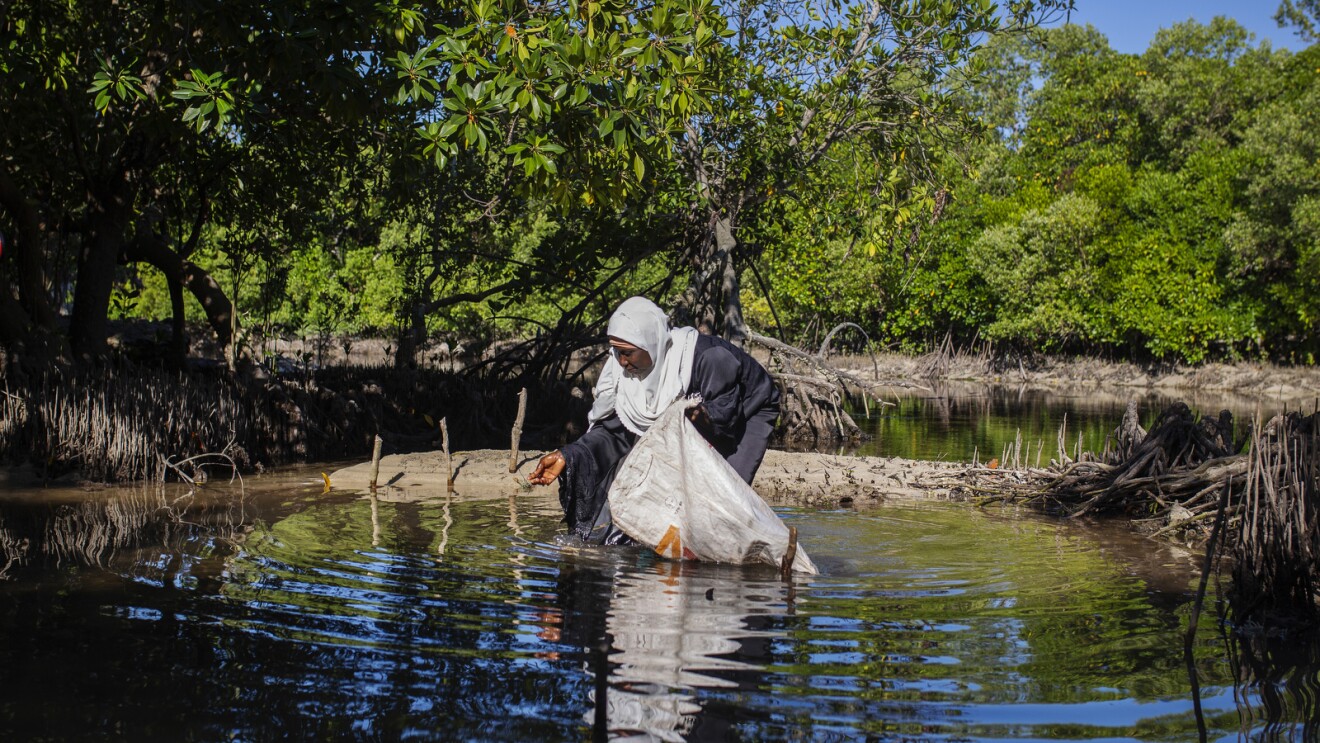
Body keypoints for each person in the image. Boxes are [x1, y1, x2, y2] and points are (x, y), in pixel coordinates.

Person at [528, 296, 780, 543]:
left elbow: (724, 415)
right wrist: (568, 456)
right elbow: (614, 433)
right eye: (617, 352)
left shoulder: (707, 358)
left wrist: (701, 418)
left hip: (747, 410)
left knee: (722, 493)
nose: (622, 362)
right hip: (694, 417)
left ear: (652, 343)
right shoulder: (623, 375)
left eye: (628, 353)